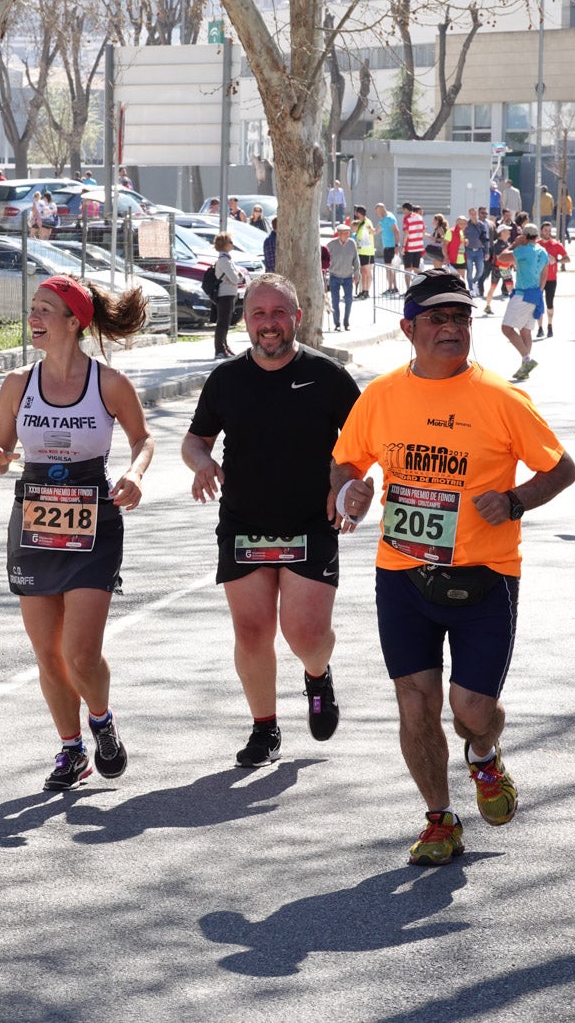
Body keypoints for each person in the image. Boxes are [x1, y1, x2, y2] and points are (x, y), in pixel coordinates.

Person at [330, 269, 575, 866]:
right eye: (438, 319)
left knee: (470, 712)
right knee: (415, 703)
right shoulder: (381, 397)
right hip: (401, 576)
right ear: (408, 328)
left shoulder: (501, 398)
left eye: (462, 318)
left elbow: (561, 469)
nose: (452, 328)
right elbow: (345, 463)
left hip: (485, 576)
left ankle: (485, 757)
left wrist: (516, 500)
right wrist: (348, 495)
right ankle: (439, 820)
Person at [0, 275, 154, 791]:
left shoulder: (108, 383)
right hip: (35, 518)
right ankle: (70, 749)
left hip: (93, 517)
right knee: (48, 654)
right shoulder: (17, 383)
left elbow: (143, 440)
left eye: (46, 310)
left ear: (74, 320)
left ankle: (100, 721)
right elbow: (1, 446)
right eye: (33, 308)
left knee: (80, 652)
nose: (34, 317)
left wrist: (135, 474)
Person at [181, 273, 360, 767]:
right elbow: (195, 440)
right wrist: (203, 465)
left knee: (305, 635)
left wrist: (345, 484)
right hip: (244, 523)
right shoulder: (227, 379)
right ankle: (264, 729)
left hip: (310, 520)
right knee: (252, 632)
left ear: (297, 317)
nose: (269, 324)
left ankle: (317, 675)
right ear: (245, 321)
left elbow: (365, 441)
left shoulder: (327, 375)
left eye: (278, 313)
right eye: (258, 314)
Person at [500, 223, 549, 381]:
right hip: (535, 294)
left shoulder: (523, 249)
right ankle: (524, 368)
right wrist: (539, 292)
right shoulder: (543, 251)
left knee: (506, 328)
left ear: (525, 236)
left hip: (522, 294)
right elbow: (544, 275)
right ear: (537, 236)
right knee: (525, 331)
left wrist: (515, 243)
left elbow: (501, 258)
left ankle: (527, 360)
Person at [213, 231, 244, 359]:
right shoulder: (223, 260)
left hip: (229, 293)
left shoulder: (227, 259)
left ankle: (225, 346)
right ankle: (219, 349)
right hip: (224, 294)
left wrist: (238, 276)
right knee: (222, 322)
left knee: (226, 322)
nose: (232, 244)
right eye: (230, 242)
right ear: (224, 244)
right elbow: (235, 278)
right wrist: (239, 277)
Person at [537, 221, 570, 338]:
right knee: (538, 303)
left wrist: (557, 261)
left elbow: (567, 259)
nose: (548, 233)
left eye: (550, 230)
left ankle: (550, 326)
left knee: (549, 303)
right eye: (546, 230)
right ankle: (539, 328)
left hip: (551, 279)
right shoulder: (536, 244)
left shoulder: (556, 245)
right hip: (538, 279)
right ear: (541, 231)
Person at [327, 223, 361, 331]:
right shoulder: (331, 244)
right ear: (339, 234)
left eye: (348, 233)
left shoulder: (352, 243)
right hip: (334, 276)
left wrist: (357, 274)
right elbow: (325, 259)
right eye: (345, 233)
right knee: (335, 301)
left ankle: (346, 322)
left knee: (349, 300)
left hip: (347, 276)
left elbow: (356, 260)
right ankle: (337, 324)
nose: (347, 235)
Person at [483, 223, 515, 316]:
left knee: (511, 289)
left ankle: (513, 308)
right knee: (493, 288)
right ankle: (487, 306)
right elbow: (498, 257)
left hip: (506, 268)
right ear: (502, 232)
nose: (509, 232)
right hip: (498, 268)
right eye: (507, 231)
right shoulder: (497, 244)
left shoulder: (507, 243)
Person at [374, 203, 401, 294]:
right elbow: (375, 231)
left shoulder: (389, 218)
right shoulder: (383, 219)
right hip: (387, 247)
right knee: (389, 268)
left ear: (382, 210)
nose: (377, 213)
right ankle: (393, 288)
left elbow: (397, 232)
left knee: (390, 268)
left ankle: (391, 288)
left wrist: (396, 246)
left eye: (378, 211)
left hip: (391, 247)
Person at [462, 207, 488, 298]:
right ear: (469, 215)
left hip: (479, 251)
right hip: (469, 250)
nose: (473, 216)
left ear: (477, 214)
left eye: (475, 214)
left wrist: (487, 252)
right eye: (471, 214)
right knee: (469, 272)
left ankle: (473, 282)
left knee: (480, 271)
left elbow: (485, 239)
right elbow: (461, 235)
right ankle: (471, 289)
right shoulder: (466, 225)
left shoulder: (481, 225)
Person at [352, 205, 375, 299]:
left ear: (359, 213)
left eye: (356, 213)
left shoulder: (367, 222)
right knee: (362, 271)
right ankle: (363, 290)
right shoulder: (360, 223)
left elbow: (372, 231)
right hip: (361, 251)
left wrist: (371, 230)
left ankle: (366, 291)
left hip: (367, 251)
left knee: (367, 271)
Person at [401, 202, 426, 285]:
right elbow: (423, 232)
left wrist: (403, 246)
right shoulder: (419, 217)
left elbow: (406, 233)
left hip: (409, 247)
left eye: (403, 210)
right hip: (418, 247)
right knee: (416, 268)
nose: (403, 212)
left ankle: (408, 289)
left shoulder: (407, 218)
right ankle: (421, 282)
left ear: (405, 209)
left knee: (407, 270)